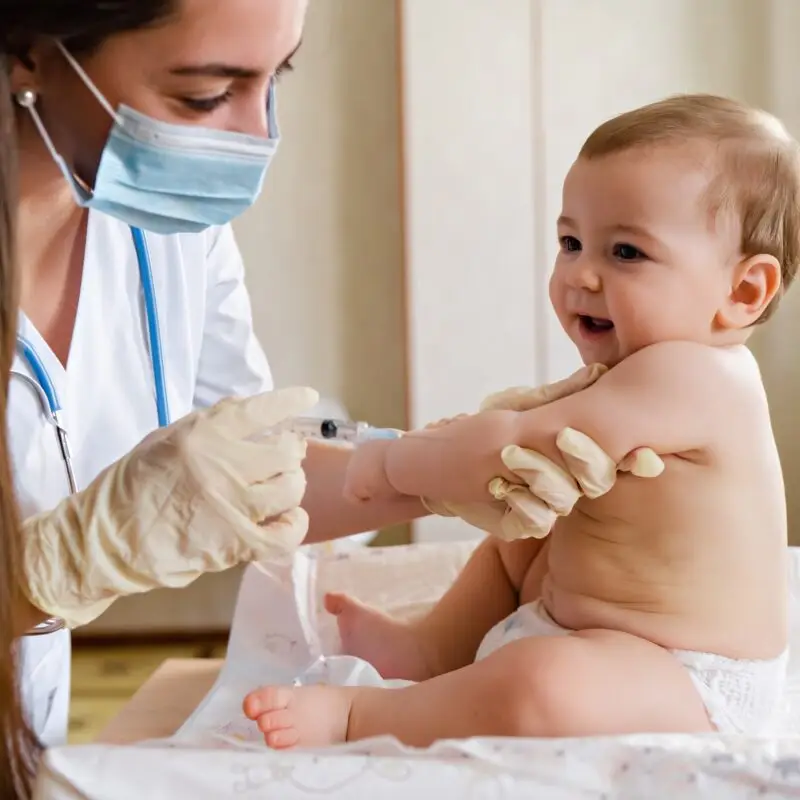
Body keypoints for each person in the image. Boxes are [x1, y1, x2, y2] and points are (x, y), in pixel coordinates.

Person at [0, 1, 660, 796]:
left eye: (275, 78)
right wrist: (48, 570)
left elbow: (258, 469)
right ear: (29, 51)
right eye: (206, 96)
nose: (256, 137)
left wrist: (430, 471)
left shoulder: (167, 225)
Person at [243, 94, 796, 748]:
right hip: (595, 632)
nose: (580, 275)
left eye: (626, 252)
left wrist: (389, 463)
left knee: (540, 684)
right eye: (570, 242)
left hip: (683, 675)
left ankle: (363, 716)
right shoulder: (632, 373)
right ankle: (428, 652)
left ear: (743, 293)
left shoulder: (698, 375)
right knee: (522, 537)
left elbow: (510, 449)